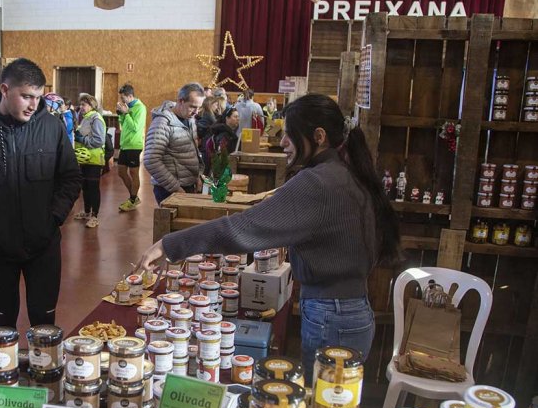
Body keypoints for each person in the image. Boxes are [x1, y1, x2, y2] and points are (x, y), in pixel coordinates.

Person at [138, 94, 401, 383]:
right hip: (350, 311)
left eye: (289, 134)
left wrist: (169, 244)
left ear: (319, 136)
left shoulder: (317, 182)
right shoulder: (346, 171)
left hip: (331, 317)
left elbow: (241, 228)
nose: (283, 141)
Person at [0, 58, 82, 328]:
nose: (33, 105)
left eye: (38, 97)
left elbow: (71, 177)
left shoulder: (52, 128)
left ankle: (46, 369)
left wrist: (53, 217)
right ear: (5, 90)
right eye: (26, 96)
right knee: (2, 323)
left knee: (44, 321)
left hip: (44, 247)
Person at [143, 82, 205, 205]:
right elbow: (151, 160)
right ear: (180, 101)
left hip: (186, 185)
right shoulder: (162, 123)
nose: (196, 112)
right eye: (193, 106)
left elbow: (191, 150)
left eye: (199, 107)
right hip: (170, 190)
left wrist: (197, 176)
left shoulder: (189, 118)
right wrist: (176, 189)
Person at [72, 94, 106, 228]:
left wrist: (83, 140)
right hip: (84, 158)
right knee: (85, 187)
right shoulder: (85, 118)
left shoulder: (96, 119)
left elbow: (99, 141)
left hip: (94, 159)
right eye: (80, 105)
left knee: (93, 188)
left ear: (91, 106)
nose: (81, 107)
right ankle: (87, 212)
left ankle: (95, 216)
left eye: (84, 105)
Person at [115, 84, 147, 212]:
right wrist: (121, 115)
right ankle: (133, 197)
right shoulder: (129, 107)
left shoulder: (140, 108)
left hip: (134, 145)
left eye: (123, 98)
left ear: (130, 96)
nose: (122, 101)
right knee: (121, 172)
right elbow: (123, 125)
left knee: (134, 173)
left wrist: (126, 114)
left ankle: (132, 199)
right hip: (125, 144)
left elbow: (135, 127)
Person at [201, 106, 239, 176]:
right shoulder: (223, 135)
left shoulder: (229, 133)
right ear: (227, 118)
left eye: (238, 117)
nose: (238, 119)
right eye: (235, 117)